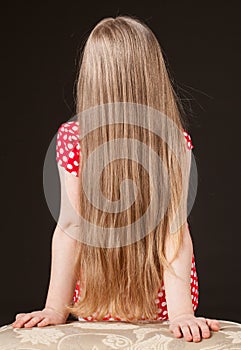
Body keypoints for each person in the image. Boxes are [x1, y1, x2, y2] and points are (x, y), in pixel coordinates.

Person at [12, 15, 220, 343]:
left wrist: (181, 315)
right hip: (150, 303)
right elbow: (174, 231)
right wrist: (53, 309)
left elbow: (71, 226)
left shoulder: (74, 139)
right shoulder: (173, 140)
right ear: (152, 74)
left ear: (92, 77)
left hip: (109, 303)